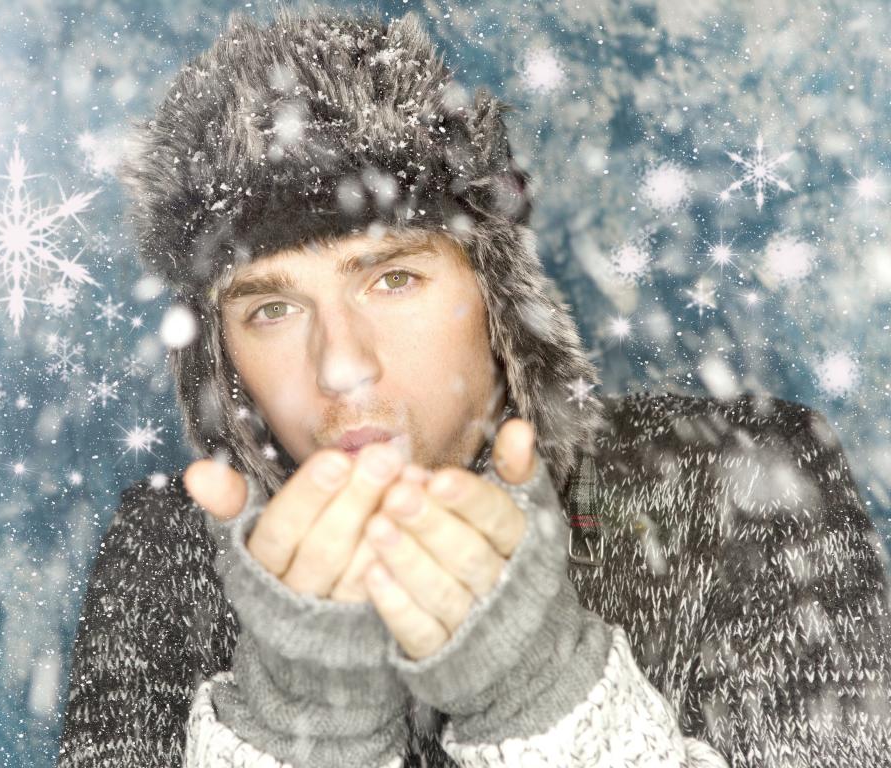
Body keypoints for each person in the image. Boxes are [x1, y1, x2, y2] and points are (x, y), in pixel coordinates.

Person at [56, 5, 891, 767]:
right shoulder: (169, 551)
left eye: (393, 279)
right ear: (220, 357)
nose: (340, 364)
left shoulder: (741, 478)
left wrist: (542, 695)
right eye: (272, 309)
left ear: (495, 299)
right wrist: (298, 723)